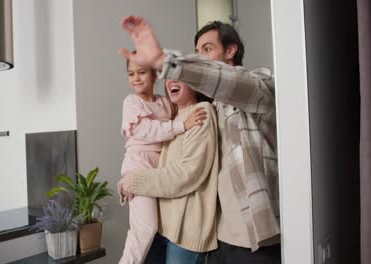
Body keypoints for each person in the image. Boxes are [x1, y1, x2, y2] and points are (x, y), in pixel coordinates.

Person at [118, 16, 281, 264]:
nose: (201, 58)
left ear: (230, 50)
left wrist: (163, 60)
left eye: (207, 49)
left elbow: (226, 80)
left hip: (252, 236)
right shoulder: (204, 109)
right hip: (221, 233)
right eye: (197, 52)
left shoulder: (257, 86)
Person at [119, 78, 219, 264]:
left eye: (181, 76)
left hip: (186, 231)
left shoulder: (200, 112)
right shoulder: (171, 119)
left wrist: (135, 181)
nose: (171, 80)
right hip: (163, 226)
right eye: (169, 76)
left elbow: (188, 174)